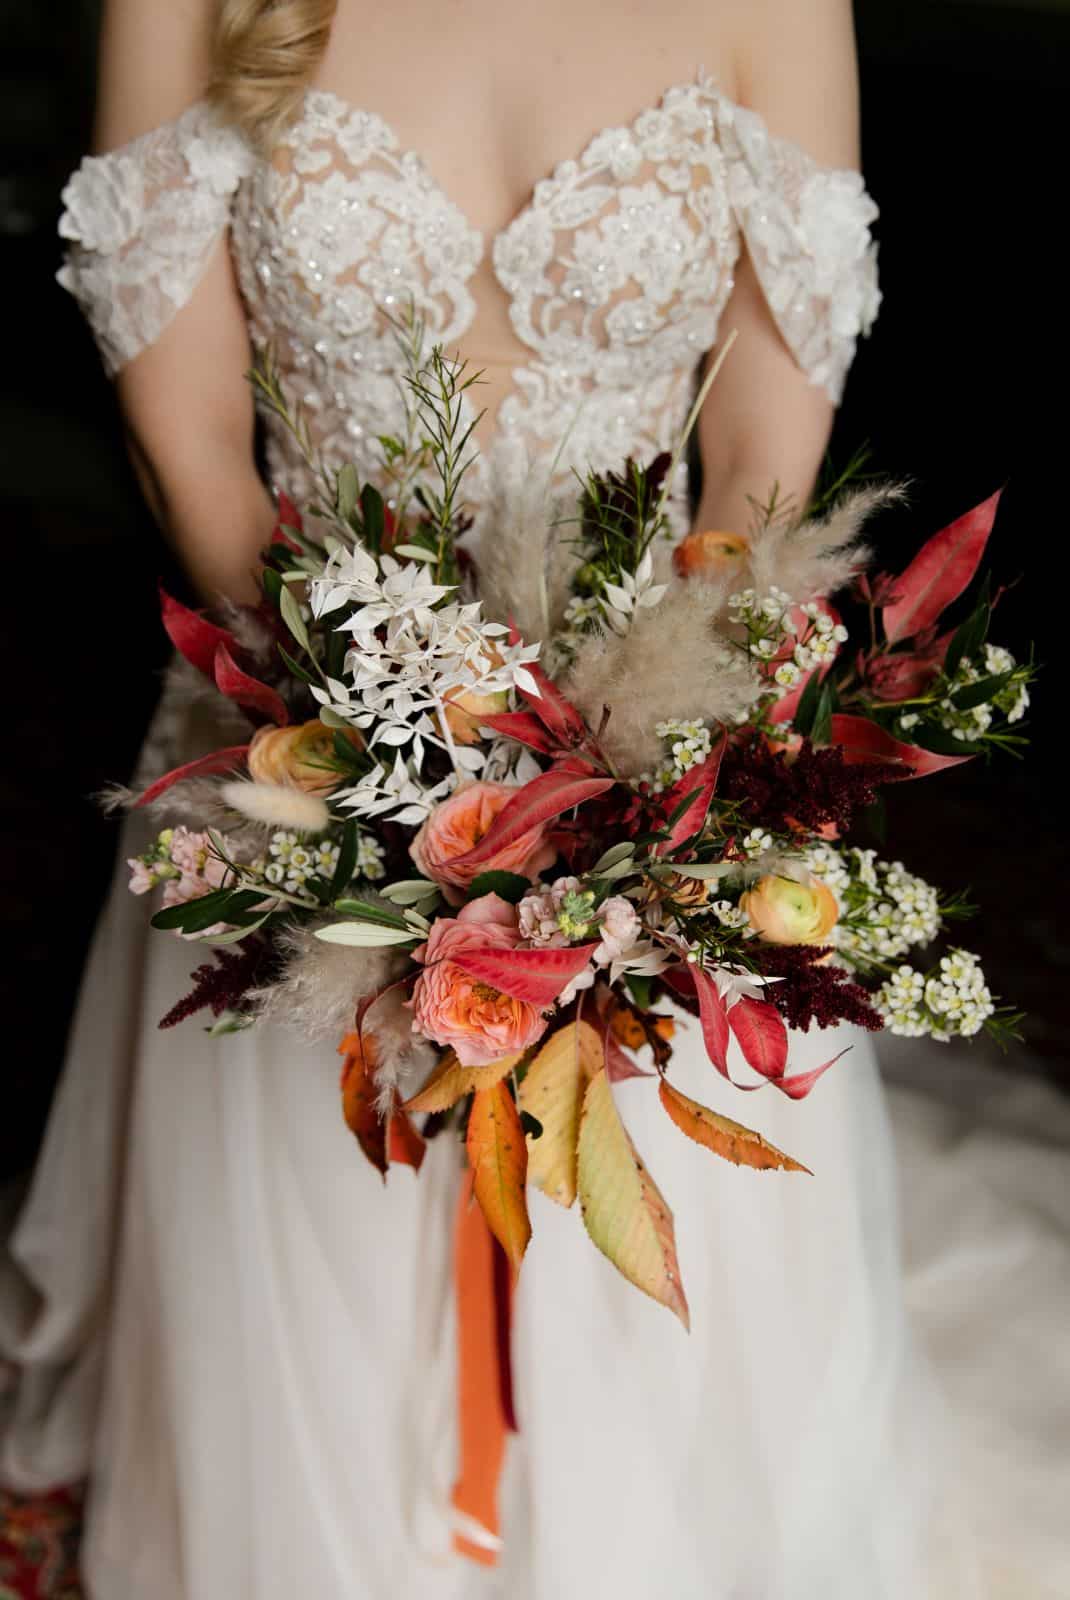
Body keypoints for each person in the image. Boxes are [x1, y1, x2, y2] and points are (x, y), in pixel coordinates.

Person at [0, 1, 983, 1595]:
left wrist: (634, 772)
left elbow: (758, 465)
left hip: (659, 751)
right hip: (299, 744)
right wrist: (388, 769)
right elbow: (190, 448)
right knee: (307, 1276)